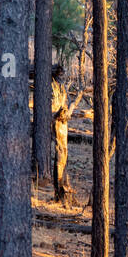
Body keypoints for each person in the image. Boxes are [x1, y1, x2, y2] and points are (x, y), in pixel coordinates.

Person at [52, 64, 72, 203]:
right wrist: (59, 112)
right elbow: (54, 105)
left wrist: (66, 111)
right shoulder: (52, 86)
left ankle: (64, 183)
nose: (62, 76)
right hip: (57, 122)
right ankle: (59, 187)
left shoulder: (62, 86)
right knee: (60, 153)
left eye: (62, 73)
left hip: (64, 121)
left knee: (64, 152)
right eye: (60, 73)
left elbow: (67, 101)